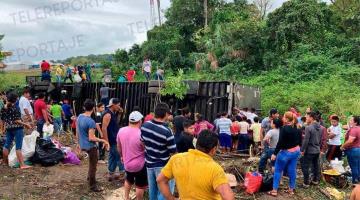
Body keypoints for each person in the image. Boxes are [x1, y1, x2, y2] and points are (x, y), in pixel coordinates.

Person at [157, 130, 235, 200]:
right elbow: (228, 197)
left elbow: (160, 180)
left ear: (196, 143)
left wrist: (171, 199)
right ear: (213, 149)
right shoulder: (215, 168)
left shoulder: (176, 159)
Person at [140, 103, 176, 200]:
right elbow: (173, 152)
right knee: (164, 192)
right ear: (165, 114)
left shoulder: (144, 126)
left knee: (153, 192)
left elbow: (142, 142)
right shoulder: (167, 131)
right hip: (163, 165)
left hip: (149, 163)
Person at [76, 99, 109, 192]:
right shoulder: (91, 122)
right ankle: (92, 185)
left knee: (91, 164)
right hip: (90, 146)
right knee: (93, 166)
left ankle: (89, 178)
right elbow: (91, 138)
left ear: (84, 107)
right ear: (94, 108)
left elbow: (77, 131)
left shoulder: (80, 117)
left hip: (83, 144)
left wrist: (78, 143)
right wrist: (103, 140)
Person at [268, 112, 302, 197]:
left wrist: (274, 153)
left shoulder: (284, 128)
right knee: (292, 169)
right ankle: (291, 189)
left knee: (278, 170)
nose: (282, 118)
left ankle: (274, 190)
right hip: (296, 151)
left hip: (286, 153)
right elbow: (300, 140)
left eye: (283, 117)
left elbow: (280, 142)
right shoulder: (298, 127)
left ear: (286, 119)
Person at [117, 111, 147, 200]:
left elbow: (119, 146)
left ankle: (126, 197)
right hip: (140, 164)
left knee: (128, 179)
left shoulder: (121, 130)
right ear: (140, 121)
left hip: (127, 163)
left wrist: (122, 156)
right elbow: (145, 148)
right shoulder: (141, 133)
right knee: (140, 185)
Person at [1, 92, 32, 169]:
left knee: (6, 145)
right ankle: (22, 165)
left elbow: (2, 120)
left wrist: (2, 129)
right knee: (18, 147)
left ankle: (5, 163)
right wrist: (26, 124)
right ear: (15, 100)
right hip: (17, 129)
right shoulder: (15, 108)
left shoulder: (3, 108)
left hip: (8, 128)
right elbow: (16, 121)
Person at [102, 98, 124, 181]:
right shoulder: (107, 114)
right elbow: (104, 128)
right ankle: (123, 173)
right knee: (119, 155)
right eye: (118, 105)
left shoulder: (113, 113)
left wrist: (119, 112)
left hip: (114, 138)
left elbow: (116, 123)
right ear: (113, 105)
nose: (119, 106)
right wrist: (106, 141)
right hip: (112, 139)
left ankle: (111, 173)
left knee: (112, 156)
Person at [301, 111, 322, 187]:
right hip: (317, 149)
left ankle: (306, 183)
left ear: (311, 118)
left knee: (305, 166)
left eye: (307, 117)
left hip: (310, 150)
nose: (306, 118)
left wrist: (302, 150)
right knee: (315, 165)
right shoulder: (320, 127)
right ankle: (315, 180)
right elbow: (320, 140)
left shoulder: (309, 127)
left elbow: (306, 140)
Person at [341, 116, 360, 184]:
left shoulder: (354, 129)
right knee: (358, 165)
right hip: (358, 149)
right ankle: (358, 180)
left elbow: (350, 141)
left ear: (355, 122)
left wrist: (342, 146)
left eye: (351, 120)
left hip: (353, 150)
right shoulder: (358, 128)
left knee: (353, 166)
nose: (349, 121)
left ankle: (355, 182)